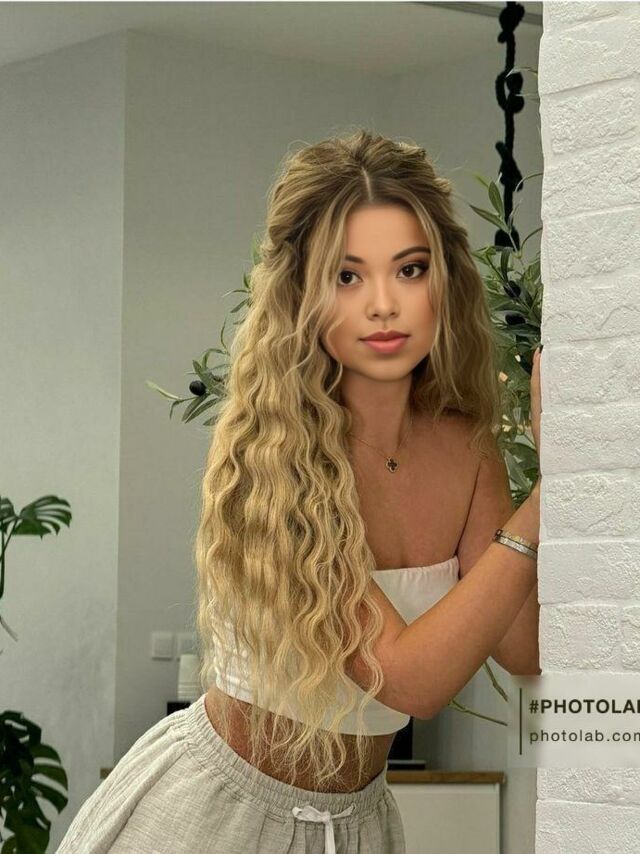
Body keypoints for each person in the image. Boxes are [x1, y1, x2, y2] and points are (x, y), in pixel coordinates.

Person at [57, 128, 541, 853]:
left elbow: (522, 646)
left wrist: (569, 470)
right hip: (219, 817)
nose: (384, 304)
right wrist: (550, 497)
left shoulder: (466, 449)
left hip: (359, 823)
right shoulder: (275, 454)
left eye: (409, 269)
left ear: (445, 281)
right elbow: (407, 681)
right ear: (302, 294)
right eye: (348, 276)